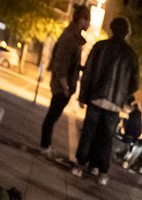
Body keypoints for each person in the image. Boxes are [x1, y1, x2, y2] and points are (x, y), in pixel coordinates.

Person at [71, 17, 139, 186]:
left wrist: (83, 96)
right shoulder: (131, 55)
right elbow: (135, 83)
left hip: (97, 97)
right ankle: (101, 170)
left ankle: (81, 164)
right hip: (115, 102)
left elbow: (88, 73)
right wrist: (123, 95)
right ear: (126, 33)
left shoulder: (101, 47)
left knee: (89, 132)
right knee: (106, 137)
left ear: (111, 29)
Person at [39, 5, 91, 156]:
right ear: (81, 20)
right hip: (62, 86)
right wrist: (66, 87)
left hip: (64, 85)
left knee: (53, 116)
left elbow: (68, 63)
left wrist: (79, 68)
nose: (89, 24)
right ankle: (45, 146)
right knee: (52, 117)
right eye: (88, 20)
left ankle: (46, 145)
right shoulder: (70, 38)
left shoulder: (73, 36)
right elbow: (60, 63)